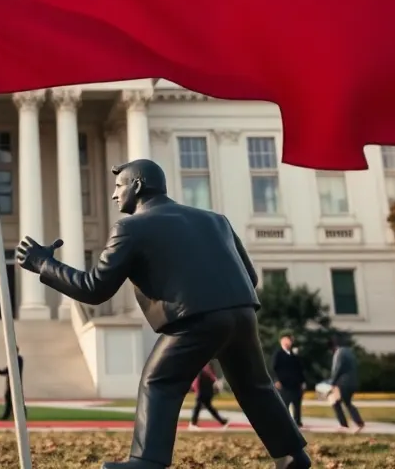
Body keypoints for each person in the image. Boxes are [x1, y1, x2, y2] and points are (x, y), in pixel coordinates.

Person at [17, 159, 310, 469]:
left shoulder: (130, 228)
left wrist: (43, 264)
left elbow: (94, 288)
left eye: (119, 187)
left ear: (137, 186)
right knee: (256, 386)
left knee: (158, 383)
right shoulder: (216, 220)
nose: (115, 195)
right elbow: (250, 277)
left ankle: (146, 462)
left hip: (194, 320)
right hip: (242, 313)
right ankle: (292, 455)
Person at [328, 337, 364, 433]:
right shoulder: (349, 352)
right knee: (335, 401)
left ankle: (357, 423)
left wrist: (333, 382)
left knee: (346, 403)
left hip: (343, 383)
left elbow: (337, 369)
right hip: (351, 382)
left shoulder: (339, 353)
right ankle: (343, 423)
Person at [271, 334, 305, 427]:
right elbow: (274, 368)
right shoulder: (278, 354)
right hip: (283, 383)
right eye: (284, 340)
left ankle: (297, 421)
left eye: (288, 340)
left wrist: (302, 382)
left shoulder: (294, 354)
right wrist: (276, 380)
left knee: (297, 403)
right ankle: (283, 422)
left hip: (295, 383)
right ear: (281, 341)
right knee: (284, 403)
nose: (287, 342)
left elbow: (299, 369)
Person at [189, 361, 229, 429]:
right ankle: (193, 423)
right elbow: (198, 378)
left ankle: (222, 421)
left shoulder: (205, 366)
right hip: (202, 387)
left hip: (205, 387)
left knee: (206, 406)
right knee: (200, 406)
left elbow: (208, 373)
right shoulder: (202, 367)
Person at [0, 347, 24, 421]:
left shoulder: (15, 359)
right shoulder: (19, 359)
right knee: (16, 399)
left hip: (12, 383)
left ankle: (7, 415)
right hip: (16, 383)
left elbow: (6, 371)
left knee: (9, 398)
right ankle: (17, 414)